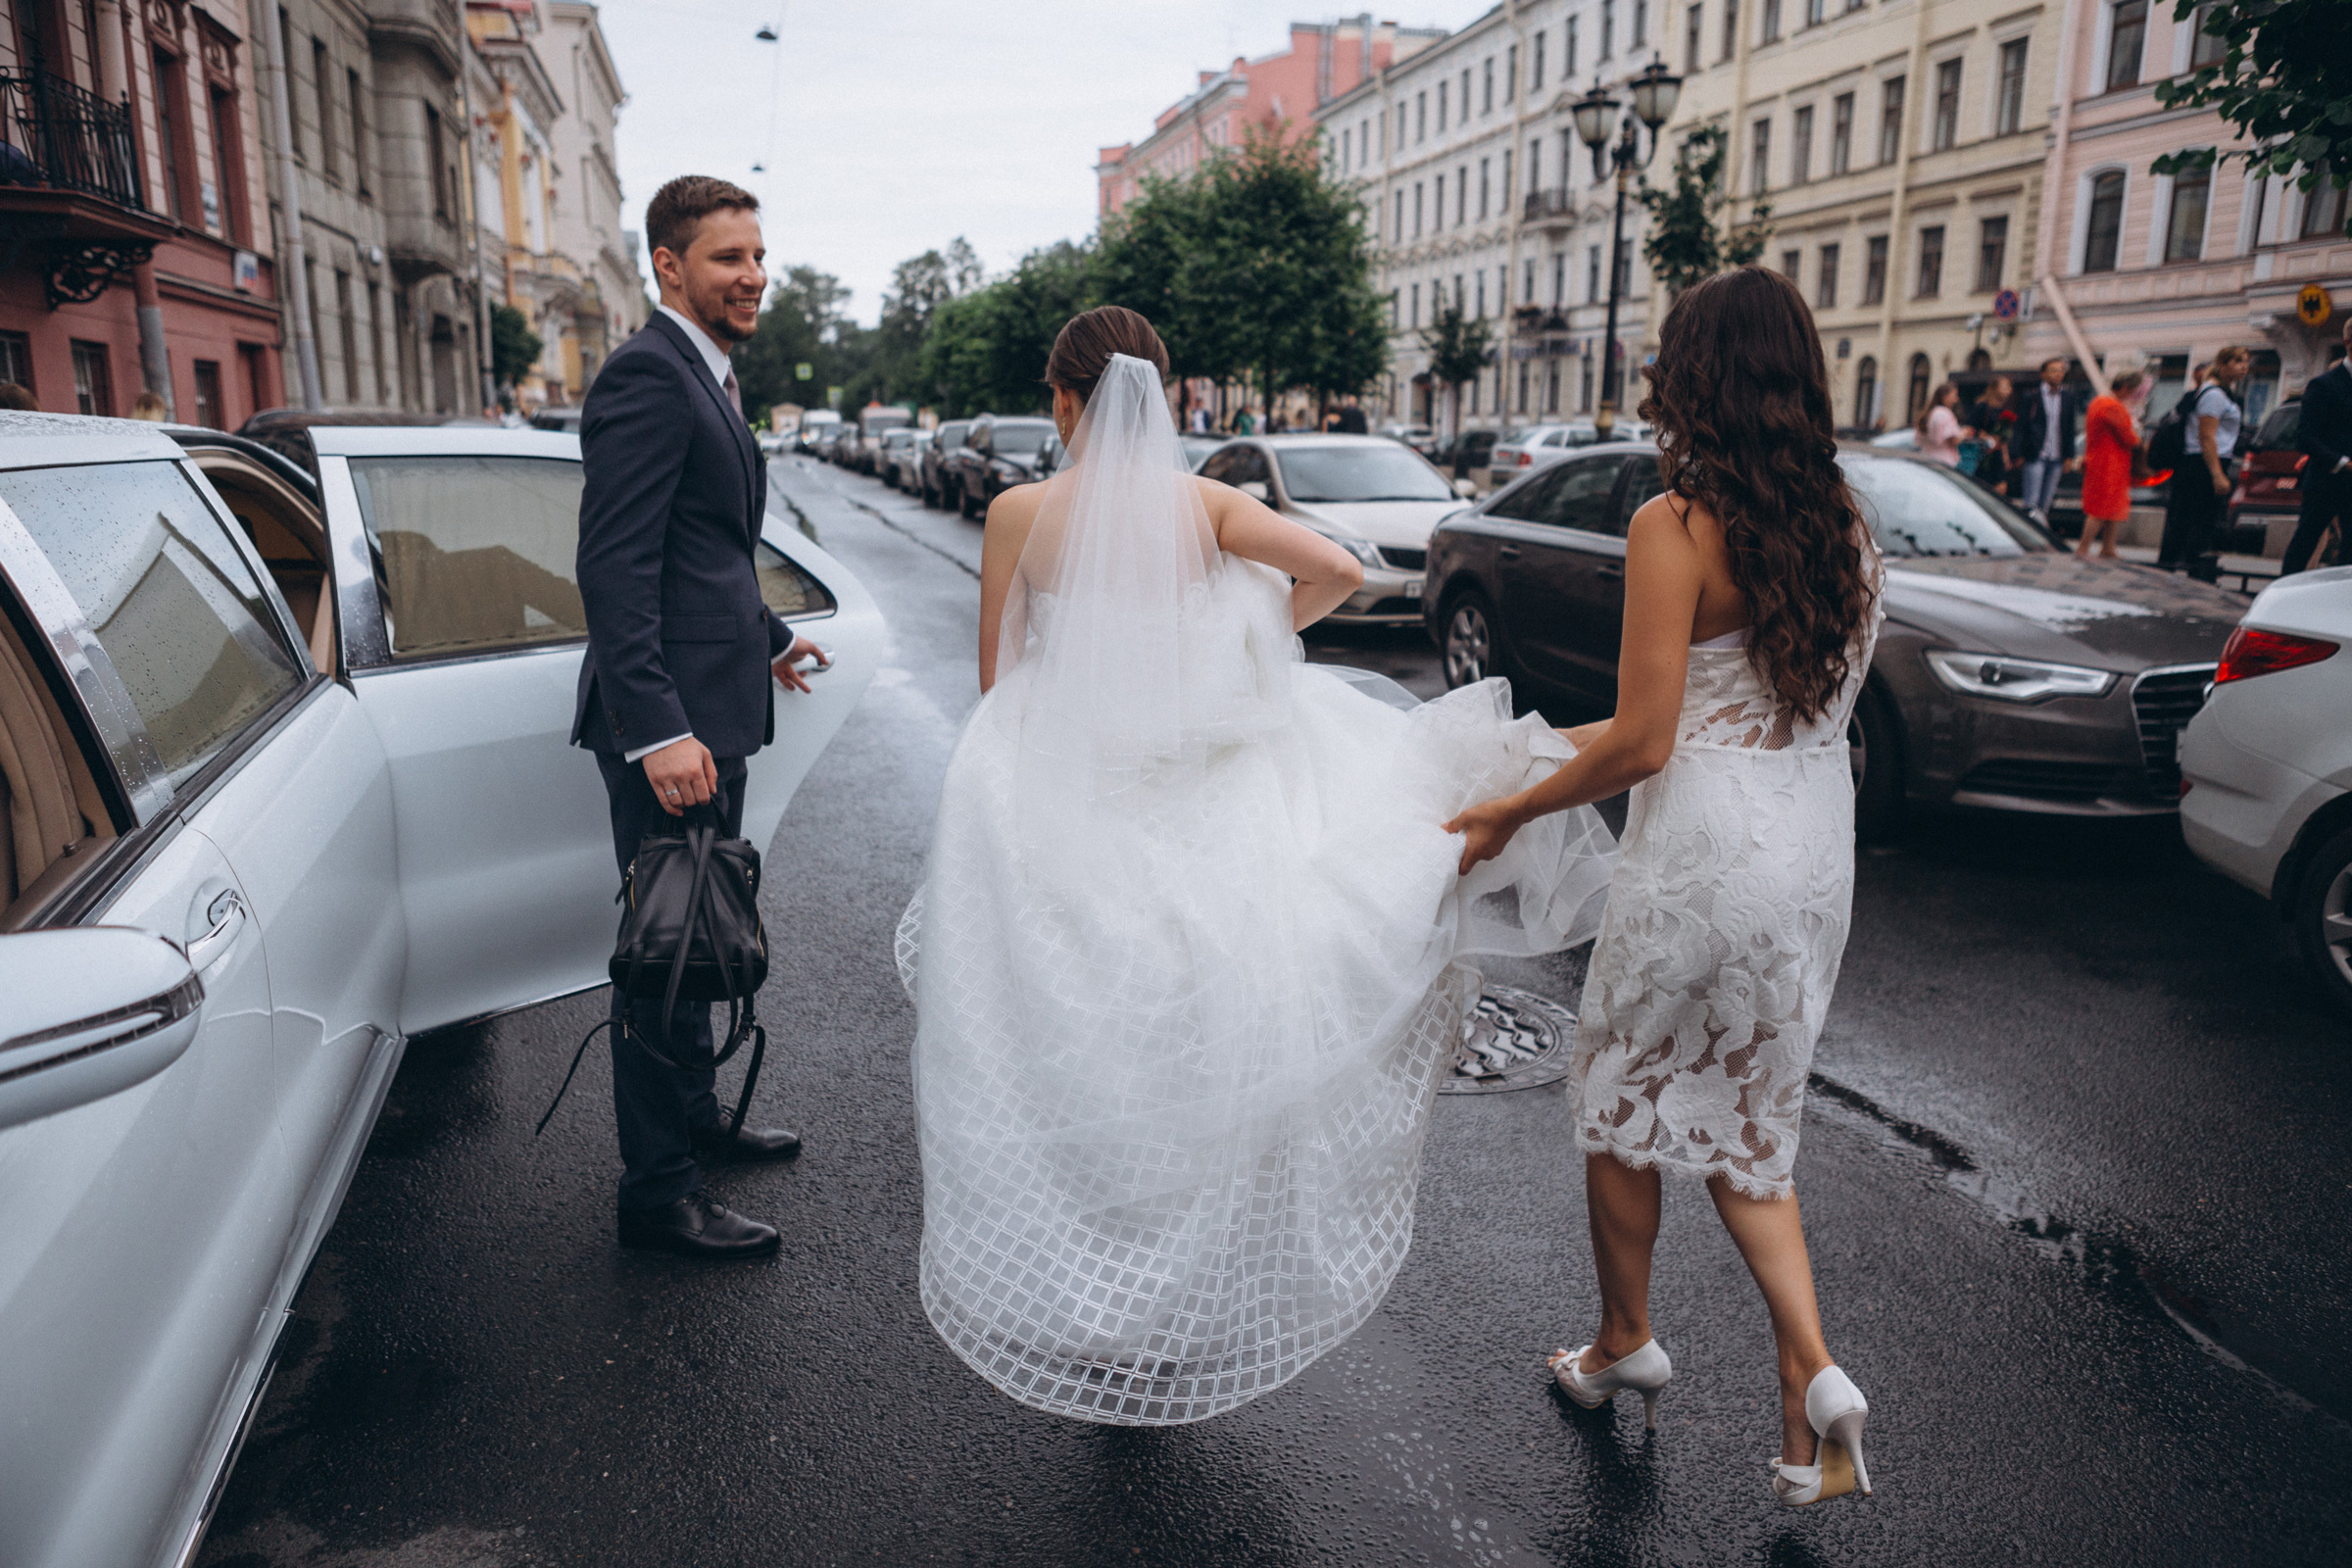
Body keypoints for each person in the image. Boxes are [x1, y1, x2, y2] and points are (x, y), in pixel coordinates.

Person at [898, 305, 1616, 1426]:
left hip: (1075, 792)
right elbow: (1342, 567)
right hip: (1204, 785)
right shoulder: (1210, 505)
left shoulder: (1018, 513)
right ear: (1166, 395)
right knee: (1207, 1018)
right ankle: (1182, 1284)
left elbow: (1001, 676)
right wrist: (1251, 636)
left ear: (1065, 403)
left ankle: (1094, 1258)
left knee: (1085, 1026)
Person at [1447, 266, 1884, 1507]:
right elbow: (1765, 711)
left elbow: (1645, 741)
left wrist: (1511, 806)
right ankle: (1811, 1384)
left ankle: (1622, 1340)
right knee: (1756, 1132)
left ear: (1691, 377)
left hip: (1701, 858)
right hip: (1807, 858)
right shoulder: (1847, 523)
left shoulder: (1675, 524)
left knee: (1621, 1094)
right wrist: (1543, 756)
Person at [571, 175, 829, 1259]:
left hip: (713, 707)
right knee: (664, 952)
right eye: (729, 258)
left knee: (705, 931)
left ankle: (697, 1124)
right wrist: (657, 728)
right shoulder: (647, 374)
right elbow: (615, 565)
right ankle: (659, 1189)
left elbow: (706, 551)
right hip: (671, 727)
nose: (753, 276)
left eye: (758, 255)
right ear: (669, 265)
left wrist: (769, 639)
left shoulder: (706, 374)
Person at [2159, 344, 2250, 576]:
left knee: (2189, 520)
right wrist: (2217, 474)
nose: (2244, 367)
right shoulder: (2214, 395)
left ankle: (2181, 568)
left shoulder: (2217, 393)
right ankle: (2189, 571)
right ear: (2223, 365)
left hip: (2202, 463)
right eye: (2238, 361)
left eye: (2246, 361)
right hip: (2203, 464)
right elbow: (2206, 437)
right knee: (2197, 522)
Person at [2283, 322, 2352, 575]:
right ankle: (2283, 596)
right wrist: (2343, 462)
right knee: (2306, 540)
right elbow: (2305, 437)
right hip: (2327, 479)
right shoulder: (2324, 385)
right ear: (2348, 342)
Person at [2078, 357, 2146, 559]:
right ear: (2126, 387)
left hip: (2101, 460)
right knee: (2102, 508)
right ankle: (2084, 547)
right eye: (2134, 390)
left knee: (2112, 506)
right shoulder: (2112, 406)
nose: (2135, 395)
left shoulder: (2098, 402)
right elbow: (2128, 437)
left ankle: (2108, 547)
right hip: (2110, 463)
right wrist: (2139, 441)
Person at [2014, 357, 2082, 520]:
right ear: (2043, 374)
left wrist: (2069, 456)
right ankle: (2030, 528)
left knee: (2046, 501)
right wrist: (2016, 453)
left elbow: (2069, 427)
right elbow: (2021, 426)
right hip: (2037, 453)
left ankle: (2039, 530)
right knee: (2032, 500)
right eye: (2053, 370)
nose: (2058, 374)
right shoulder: (2032, 397)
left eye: (2061, 370)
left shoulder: (2067, 397)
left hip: (2057, 455)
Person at [1964, 375, 2016, 494]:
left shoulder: (2003, 410)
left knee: (2001, 488)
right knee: (1983, 488)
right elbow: (1971, 428)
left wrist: (2005, 457)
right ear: (1994, 388)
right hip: (1983, 454)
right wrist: (1985, 436)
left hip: (1996, 454)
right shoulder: (1983, 407)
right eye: (2005, 386)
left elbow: (2002, 438)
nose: (2009, 390)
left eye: (2009, 387)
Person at [1917, 381, 1963, 465]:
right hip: (1943, 462)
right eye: (1954, 395)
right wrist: (1963, 434)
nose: (1957, 399)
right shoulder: (1945, 414)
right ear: (1945, 397)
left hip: (1926, 458)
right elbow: (1952, 440)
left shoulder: (1929, 413)